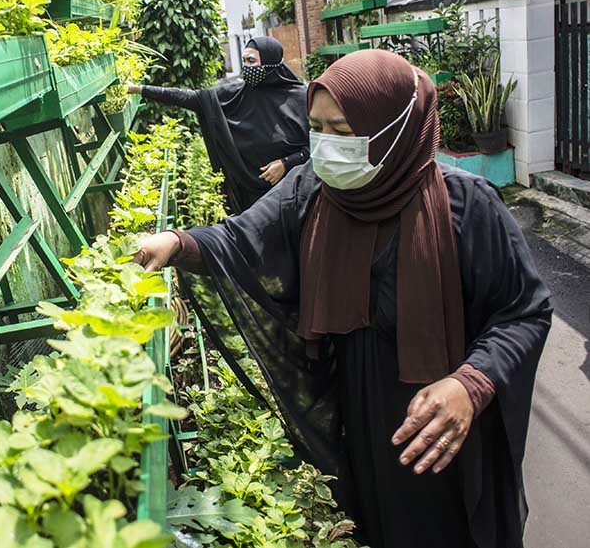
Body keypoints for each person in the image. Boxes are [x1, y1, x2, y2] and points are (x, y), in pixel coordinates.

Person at [134, 50, 552, 548]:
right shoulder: (312, 191)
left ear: (394, 129)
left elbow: (523, 312)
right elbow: (243, 238)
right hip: (359, 417)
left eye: (343, 131)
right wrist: (177, 243)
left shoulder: (467, 206)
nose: (326, 145)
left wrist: (471, 384)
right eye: (316, 128)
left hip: (445, 430)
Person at [127, 36, 309, 213]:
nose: (246, 67)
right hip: (250, 202)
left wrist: (286, 164)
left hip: (292, 196)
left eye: (251, 61)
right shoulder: (236, 94)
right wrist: (140, 89)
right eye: (244, 61)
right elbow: (192, 98)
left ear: (270, 61)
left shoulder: (300, 98)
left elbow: (316, 146)